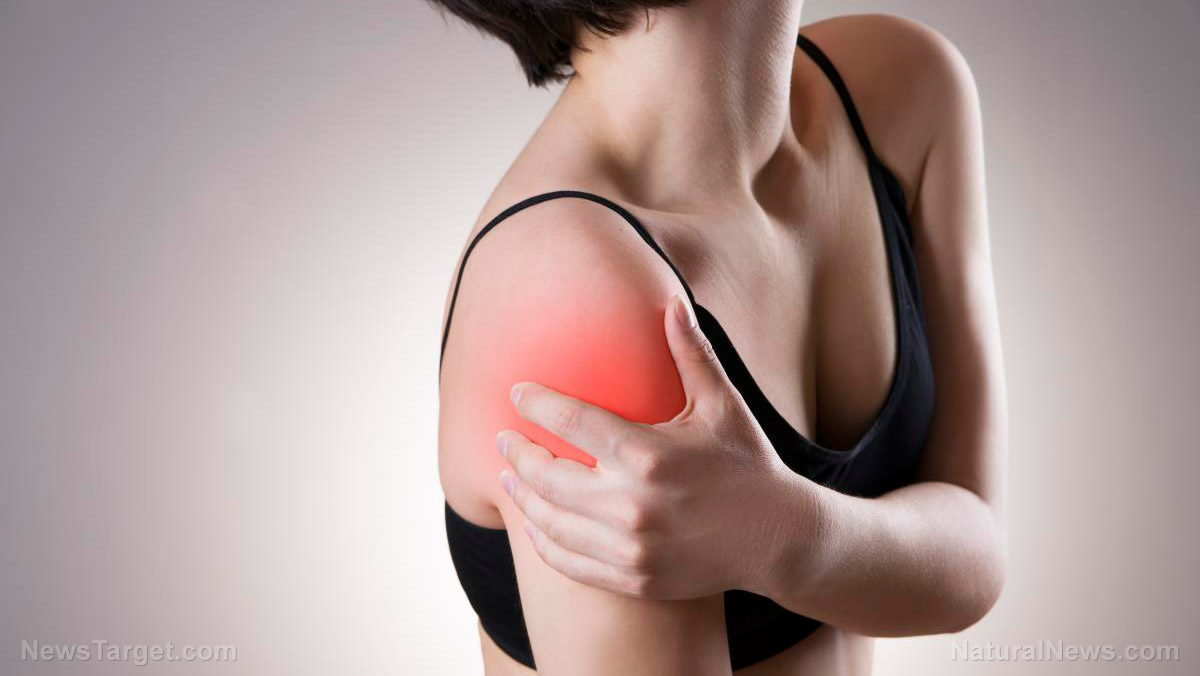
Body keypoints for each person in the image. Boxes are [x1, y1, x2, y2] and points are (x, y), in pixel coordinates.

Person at [433, 2, 1007, 674]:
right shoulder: (576, 291)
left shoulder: (903, 86)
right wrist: (798, 542)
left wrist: (787, 536)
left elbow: (977, 562)